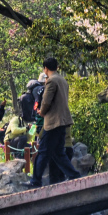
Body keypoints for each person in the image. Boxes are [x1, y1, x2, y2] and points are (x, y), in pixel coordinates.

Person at [30, 58, 81, 187]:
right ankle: (74, 175)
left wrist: (41, 111)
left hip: (53, 121)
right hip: (63, 120)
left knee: (42, 152)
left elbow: (46, 101)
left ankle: (35, 181)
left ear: (45, 68)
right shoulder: (62, 80)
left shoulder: (51, 81)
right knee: (58, 152)